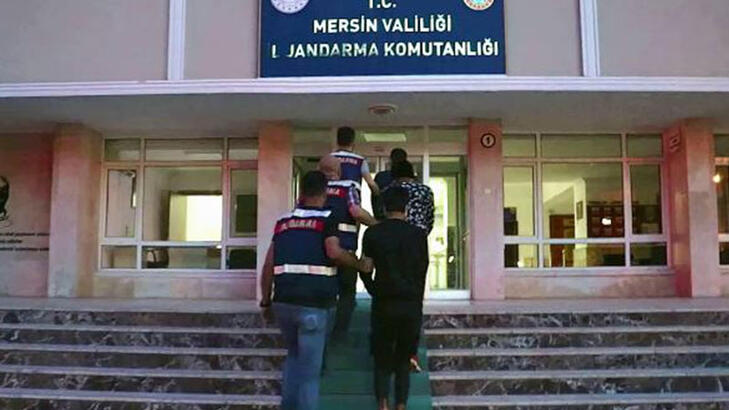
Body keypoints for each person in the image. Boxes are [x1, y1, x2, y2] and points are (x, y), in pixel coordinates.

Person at [259, 171, 373, 410]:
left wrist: (266, 301)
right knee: (310, 375)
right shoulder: (327, 219)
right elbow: (333, 252)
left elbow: (269, 264)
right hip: (315, 305)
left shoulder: (283, 222)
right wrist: (359, 264)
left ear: (301, 193)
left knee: (293, 360)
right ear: (324, 193)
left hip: (283, 303)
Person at [361, 187, 429, 410]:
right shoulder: (418, 235)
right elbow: (422, 270)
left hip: (384, 301)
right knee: (403, 358)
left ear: (384, 208)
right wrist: (417, 299)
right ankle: (400, 405)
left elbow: (366, 268)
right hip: (410, 303)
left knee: (382, 358)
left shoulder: (373, 234)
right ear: (406, 207)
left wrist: (373, 289)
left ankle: (382, 403)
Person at [319, 155, 378, 340]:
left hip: (319, 252)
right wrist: (376, 224)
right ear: (339, 171)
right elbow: (356, 212)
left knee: (325, 294)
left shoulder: (313, 190)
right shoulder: (347, 188)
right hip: (345, 250)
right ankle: (339, 333)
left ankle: (322, 332)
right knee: (347, 292)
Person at [388, 160, 435, 235]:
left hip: (396, 233)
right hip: (420, 232)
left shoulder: (392, 190)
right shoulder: (426, 190)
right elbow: (430, 217)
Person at [332, 126, 379, 196]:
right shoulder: (359, 160)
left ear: (337, 142)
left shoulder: (327, 159)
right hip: (351, 198)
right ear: (352, 142)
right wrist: (378, 194)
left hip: (330, 198)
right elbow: (371, 183)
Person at [371, 148, 407, 220]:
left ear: (390, 160)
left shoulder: (381, 177)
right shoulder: (408, 179)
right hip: (403, 218)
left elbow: (375, 198)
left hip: (384, 217)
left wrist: (378, 217)